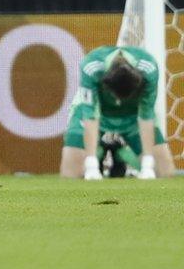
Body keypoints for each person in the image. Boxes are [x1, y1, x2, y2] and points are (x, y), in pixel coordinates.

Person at [60, 46, 175, 180]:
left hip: (133, 116)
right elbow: (90, 113)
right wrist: (91, 164)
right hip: (97, 112)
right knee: (70, 174)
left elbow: (146, 114)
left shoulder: (149, 68)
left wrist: (147, 165)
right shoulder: (91, 66)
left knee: (165, 172)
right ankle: (100, 152)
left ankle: (121, 153)